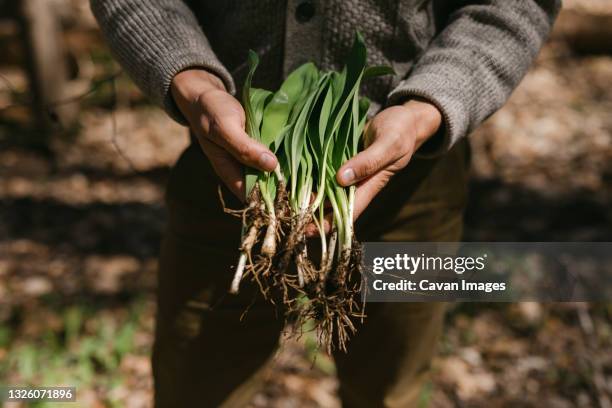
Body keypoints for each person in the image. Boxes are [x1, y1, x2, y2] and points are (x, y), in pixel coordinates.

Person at [91, 1, 560, 406]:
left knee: (388, 392)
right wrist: (191, 81)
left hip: (414, 182)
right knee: (194, 390)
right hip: (229, 167)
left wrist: (428, 106)